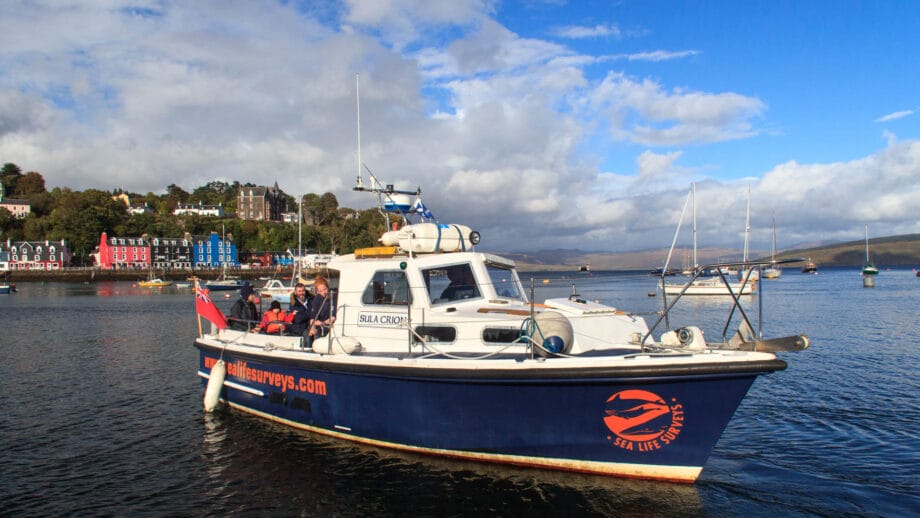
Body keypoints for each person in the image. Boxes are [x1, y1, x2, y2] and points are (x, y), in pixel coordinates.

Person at [307, 276, 336, 346]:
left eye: (325, 289)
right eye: (321, 291)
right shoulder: (317, 299)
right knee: (308, 335)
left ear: (328, 287)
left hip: (332, 326)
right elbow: (313, 316)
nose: (324, 292)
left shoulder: (334, 296)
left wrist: (331, 319)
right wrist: (313, 327)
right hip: (321, 326)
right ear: (317, 291)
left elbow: (334, 314)